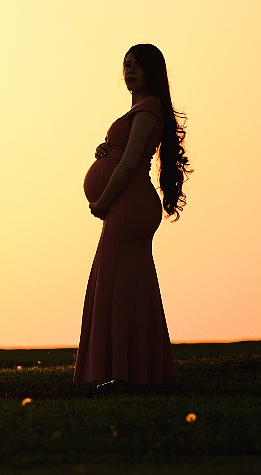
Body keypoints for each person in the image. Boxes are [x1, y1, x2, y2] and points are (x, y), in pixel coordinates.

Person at [75, 43, 191, 391]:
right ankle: (139, 372)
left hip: (128, 205)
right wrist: (106, 150)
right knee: (131, 286)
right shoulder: (141, 110)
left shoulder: (149, 107)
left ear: (152, 71)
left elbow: (128, 166)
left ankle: (123, 374)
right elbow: (124, 154)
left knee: (116, 285)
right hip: (128, 206)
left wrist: (103, 201)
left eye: (138, 65)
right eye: (126, 64)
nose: (130, 70)